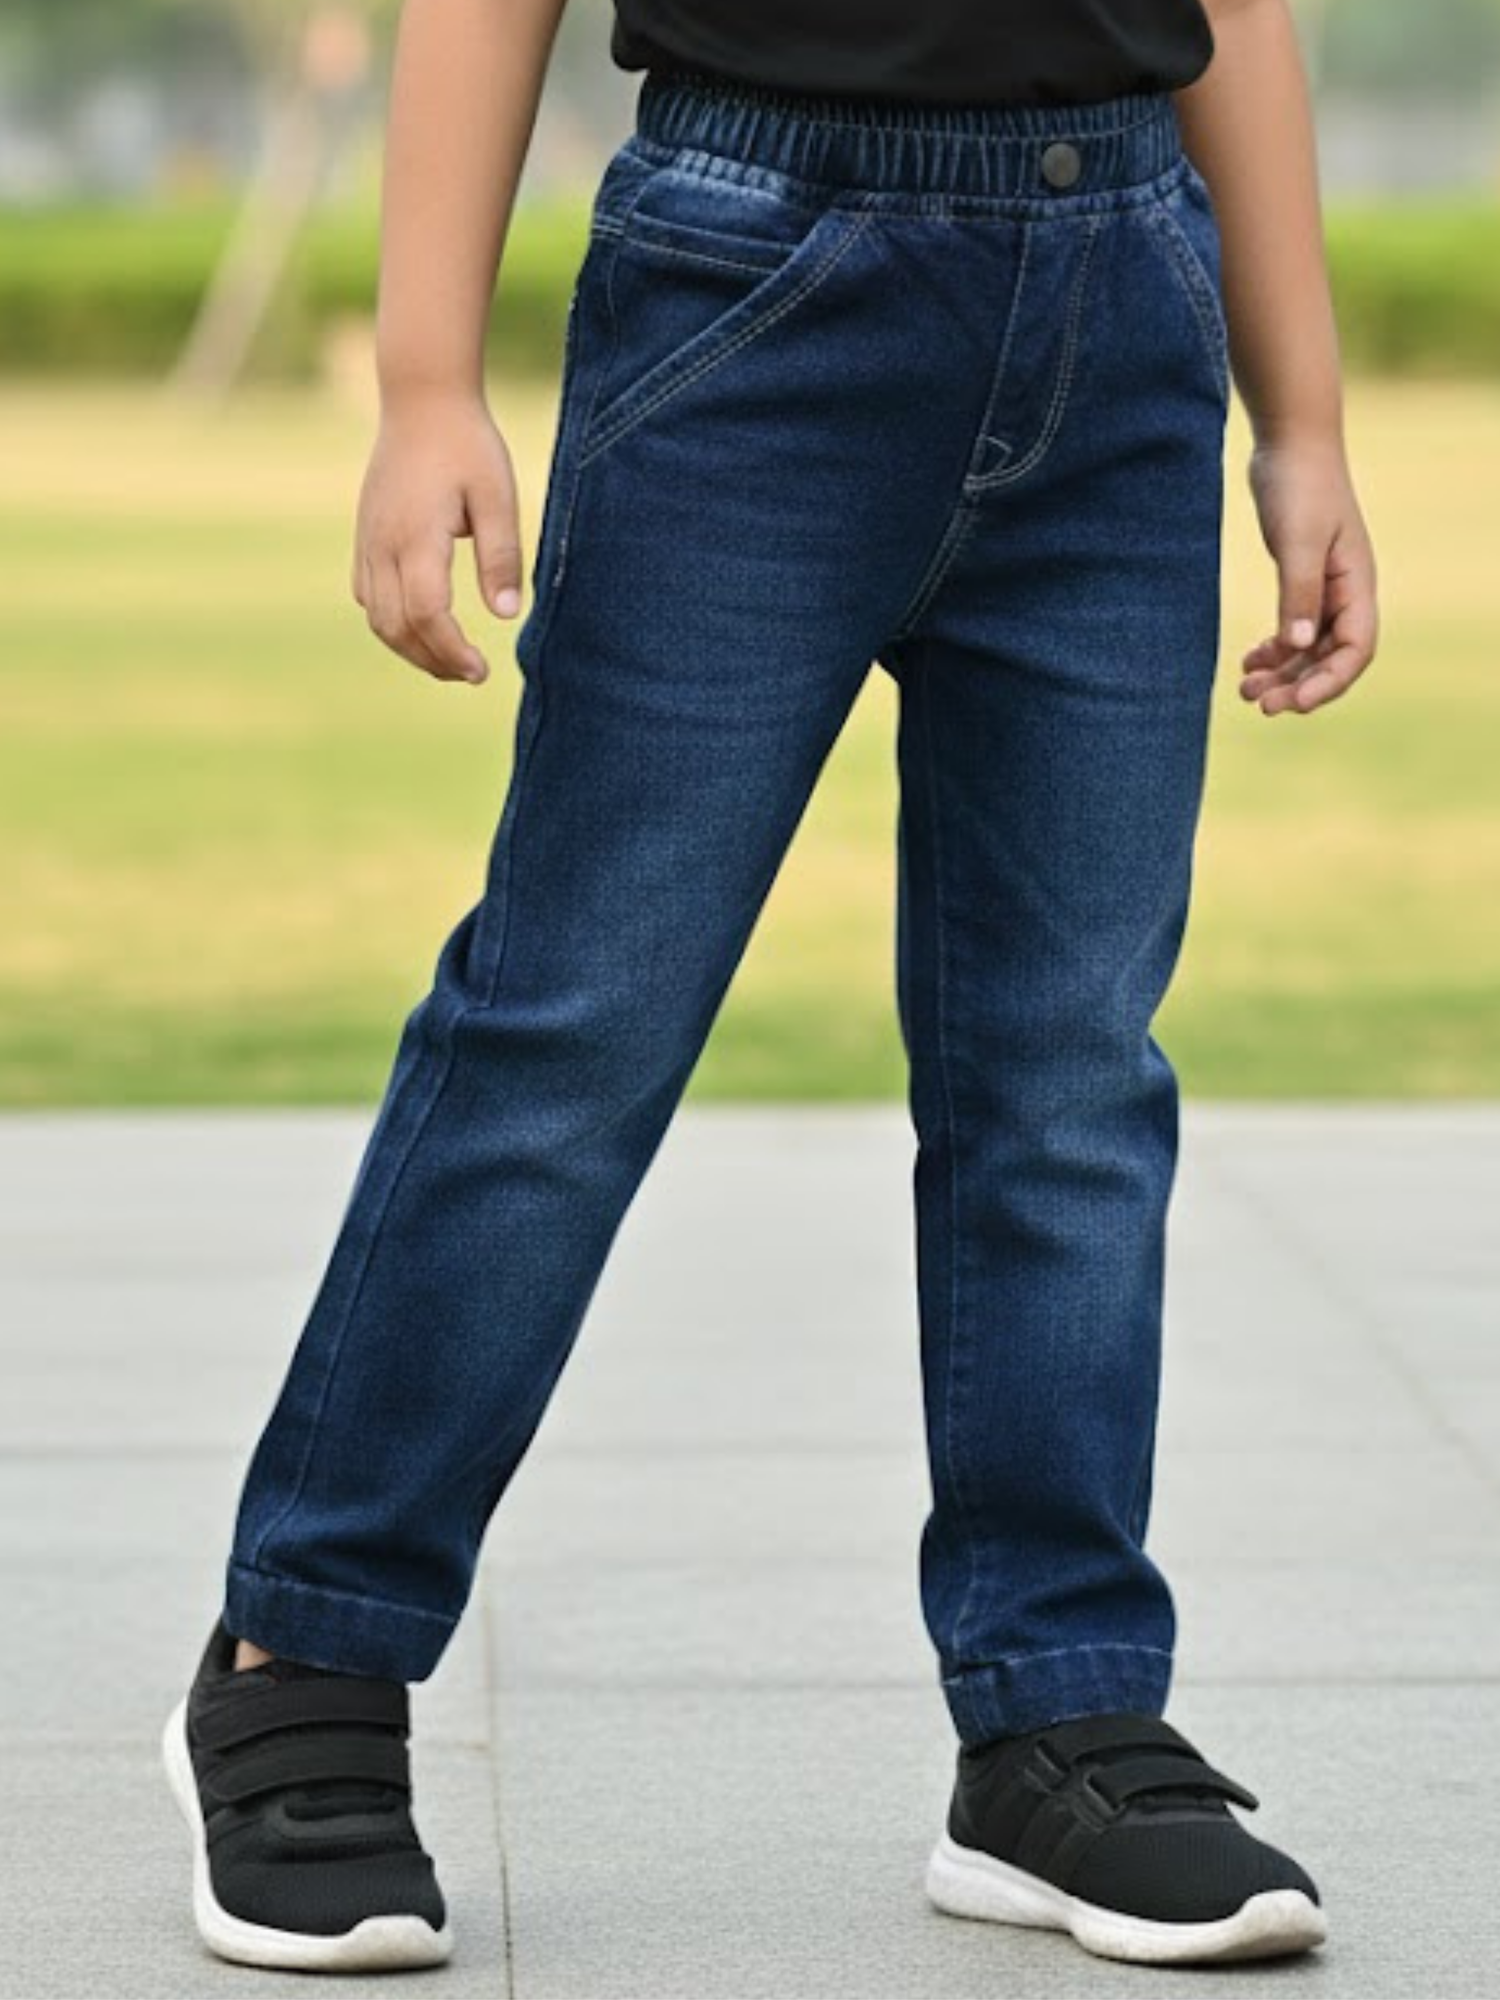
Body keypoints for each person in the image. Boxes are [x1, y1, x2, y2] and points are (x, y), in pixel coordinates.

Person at [161, 0, 1379, 1974]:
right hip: (757, 274)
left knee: (1068, 1077)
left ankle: (1058, 1709)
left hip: (1125, 293)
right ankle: (303, 1651)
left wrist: (1302, 418)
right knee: (573, 1032)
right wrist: (424, 381)